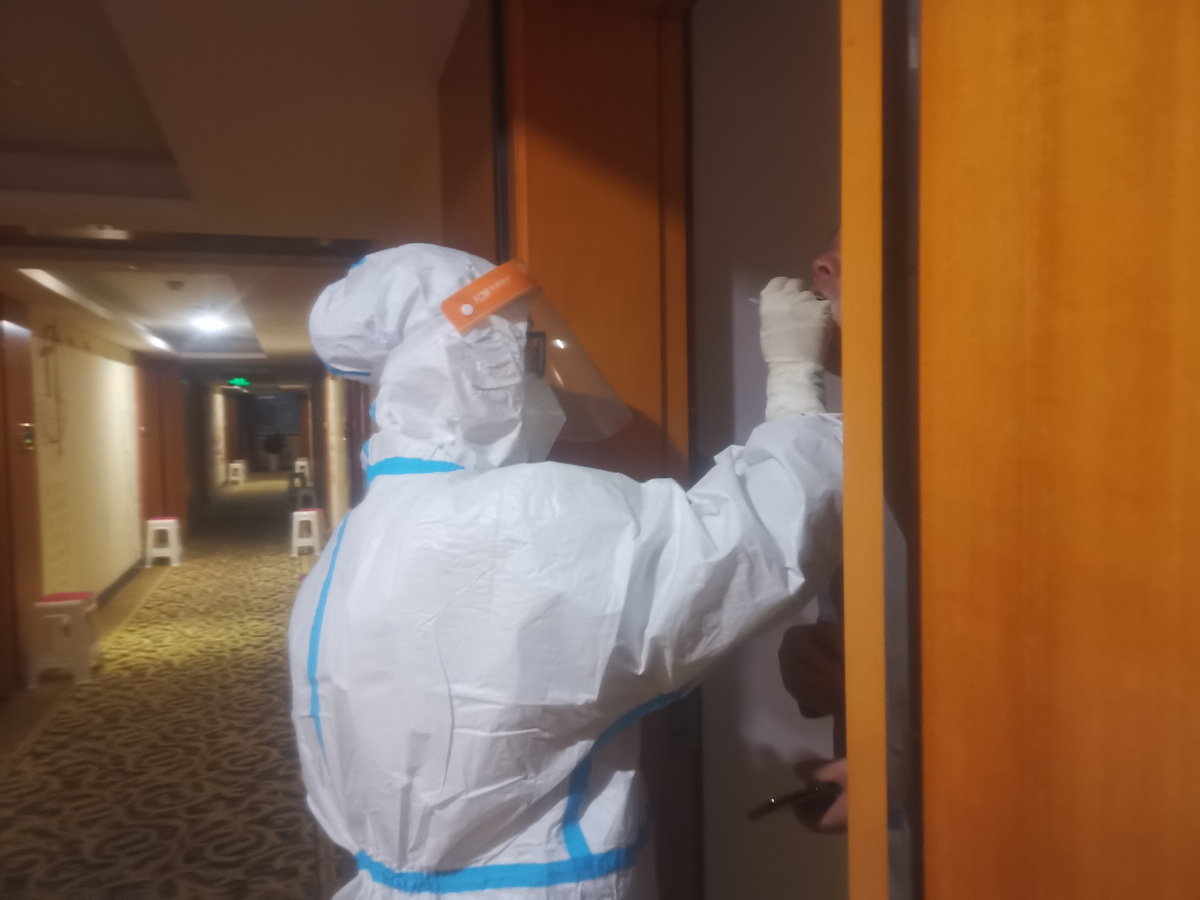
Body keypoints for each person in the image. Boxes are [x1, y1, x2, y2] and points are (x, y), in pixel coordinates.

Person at [288, 243, 843, 899]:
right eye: (519, 348)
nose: (536, 376)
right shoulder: (519, 517)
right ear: (470, 358)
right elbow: (755, 539)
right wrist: (794, 377)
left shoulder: (356, 540)